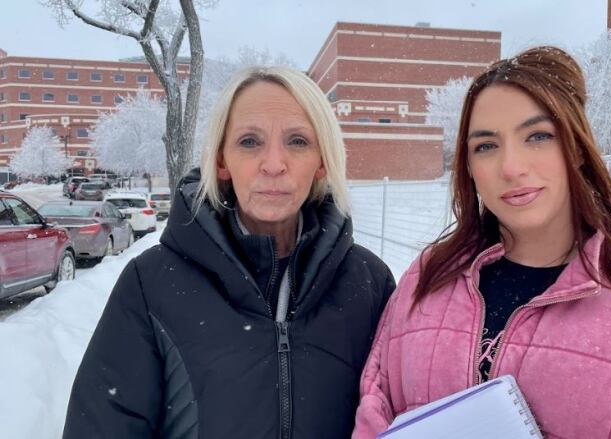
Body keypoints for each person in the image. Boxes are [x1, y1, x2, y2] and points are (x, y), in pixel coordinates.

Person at [353, 47, 611, 439]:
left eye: (538, 136)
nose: (511, 167)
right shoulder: (428, 278)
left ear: (577, 147)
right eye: (486, 145)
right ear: (468, 168)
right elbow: (376, 407)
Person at [63, 66, 395, 439]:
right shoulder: (152, 283)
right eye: (249, 141)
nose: (273, 164)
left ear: (322, 161)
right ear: (221, 161)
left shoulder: (369, 282)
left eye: (298, 141)